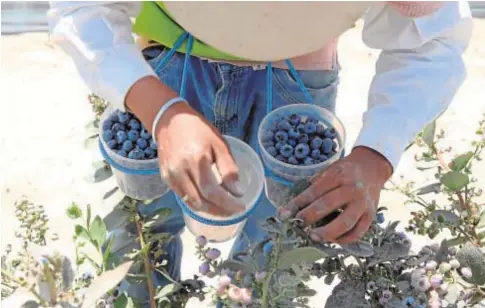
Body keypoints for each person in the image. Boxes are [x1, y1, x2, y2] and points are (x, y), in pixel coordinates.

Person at [48, 0, 472, 298]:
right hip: (165, 69)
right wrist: (162, 115)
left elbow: (432, 40)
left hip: (297, 79)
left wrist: (375, 155)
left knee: (276, 258)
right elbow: (82, 9)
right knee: (140, 249)